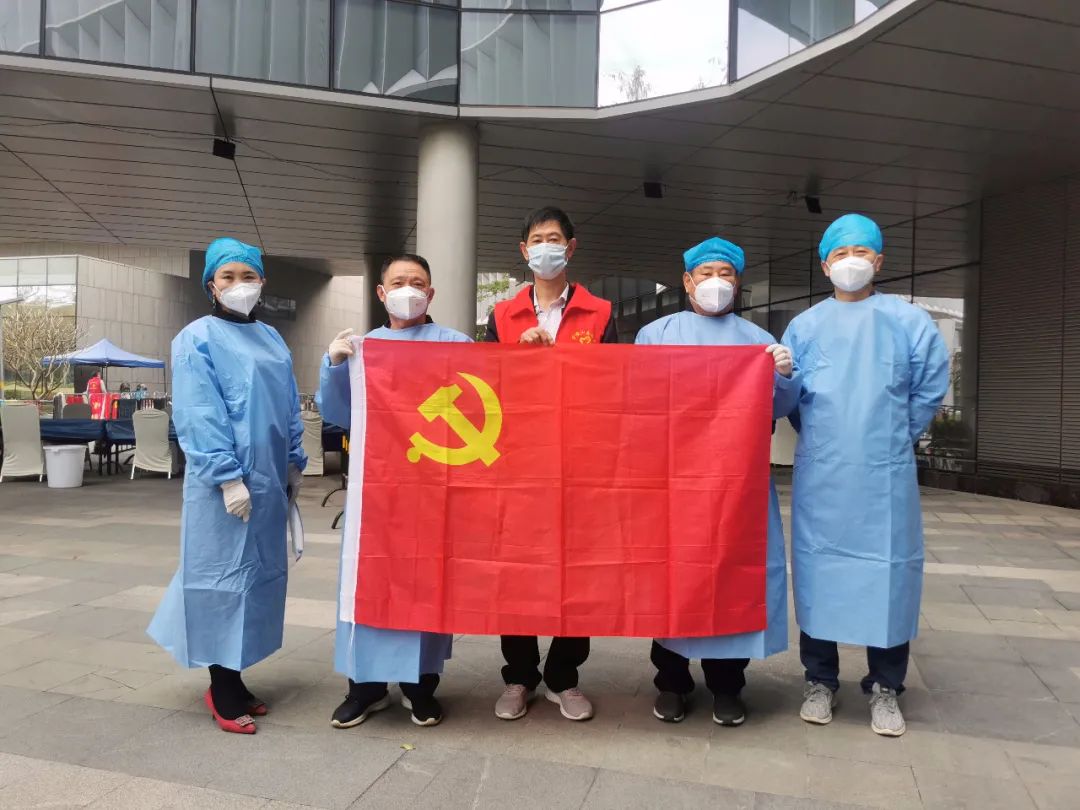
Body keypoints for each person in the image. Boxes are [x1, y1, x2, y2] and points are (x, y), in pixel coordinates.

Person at [782, 214, 949, 737]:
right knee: (819, 574)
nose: (850, 261)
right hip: (824, 473)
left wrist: (894, 435)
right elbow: (790, 395)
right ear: (824, 263)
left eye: (861, 252)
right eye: (840, 253)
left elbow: (930, 385)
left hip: (883, 475)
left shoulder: (908, 321)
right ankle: (819, 680)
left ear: (879, 260)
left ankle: (886, 687)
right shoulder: (804, 326)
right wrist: (822, 435)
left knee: (889, 578)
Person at [636, 237, 797, 727]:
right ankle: (671, 683)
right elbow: (636, 403)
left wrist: (783, 376)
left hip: (736, 485)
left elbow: (778, 408)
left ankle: (728, 685)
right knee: (674, 579)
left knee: (732, 577)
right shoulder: (656, 335)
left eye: (725, 274)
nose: (715, 282)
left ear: (738, 282)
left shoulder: (757, 341)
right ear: (687, 281)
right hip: (674, 484)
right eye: (705, 273)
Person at [147, 237, 306, 735]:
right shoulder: (195, 338)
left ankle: (234, 674)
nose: (239, 285)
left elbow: (288, 404)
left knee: (256, 578)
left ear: (262, 282)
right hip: (225, 487)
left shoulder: (272, 338)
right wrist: (226, 477)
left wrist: (295, 461)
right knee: (220, 578)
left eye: (248, 276)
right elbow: (199, 412)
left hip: (269, 479)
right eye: (228, 276)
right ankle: (222, 686)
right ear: (210, 285)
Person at [319, 254, 470, 730]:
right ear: (381, 293)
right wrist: (334, 366)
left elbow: (485, 403)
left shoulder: (457, 346)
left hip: (435, 491)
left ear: (431, 293)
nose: (409, 290)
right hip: (377, 492)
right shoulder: (365, 349)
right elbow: (338, 414)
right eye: (399, 282)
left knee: (427, 584)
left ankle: (421, 685)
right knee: (370, 580)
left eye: (418, 282)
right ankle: (364, 687)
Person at [485, 206, 616, 723]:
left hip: (581, 462)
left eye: (555, 238)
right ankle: (519, 675)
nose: (546, 247)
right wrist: (517, 359)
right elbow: (485, 386)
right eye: (537, 239)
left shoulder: (600, 313)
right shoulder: (502, 315)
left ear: (571, 247)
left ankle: (564, 676)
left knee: (577, 568)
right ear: (524, 250)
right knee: (516, 568)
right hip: (518, 463)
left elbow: (615, 384)